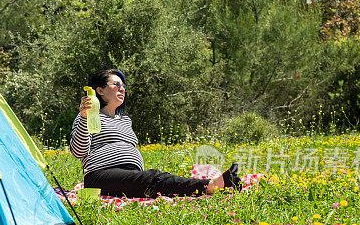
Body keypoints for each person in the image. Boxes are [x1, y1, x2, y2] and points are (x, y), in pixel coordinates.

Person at [70, 68, 242, 198]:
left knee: (150, 179)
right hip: (101, 176)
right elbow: (79, 152)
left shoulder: (125, 120)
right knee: (153, 178)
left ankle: (222, 185)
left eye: (124, 86)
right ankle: (210, 186)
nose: (122, 89)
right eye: (116, 85)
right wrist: (85, 118)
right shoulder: (88, 115)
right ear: (100, 90)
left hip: (130, 175)